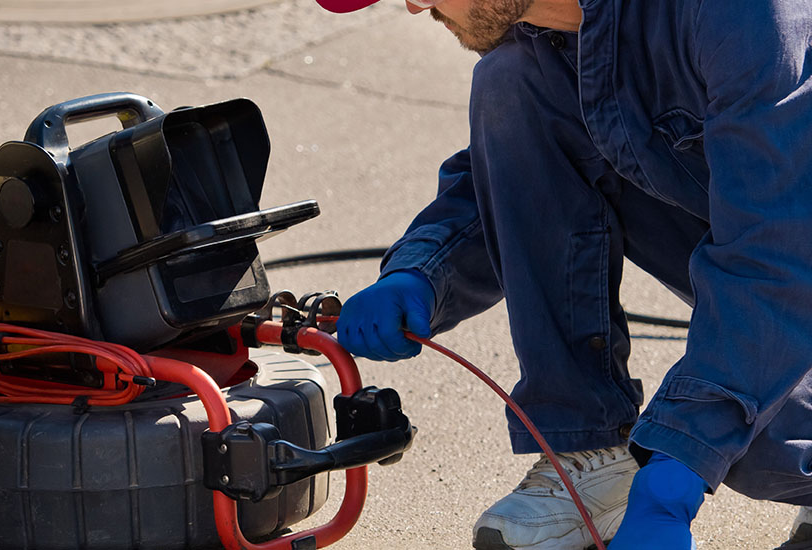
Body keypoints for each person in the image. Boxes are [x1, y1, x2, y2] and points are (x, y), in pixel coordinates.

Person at [314, 0, 812, 548]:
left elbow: (777, 251)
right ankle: (590, 455)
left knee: (752, 445)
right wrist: (420, 274)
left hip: (792, 260)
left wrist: (676, 475)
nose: (413, 5)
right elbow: (525, 168)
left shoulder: (742, 15)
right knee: (512, 81)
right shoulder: (559, 34)